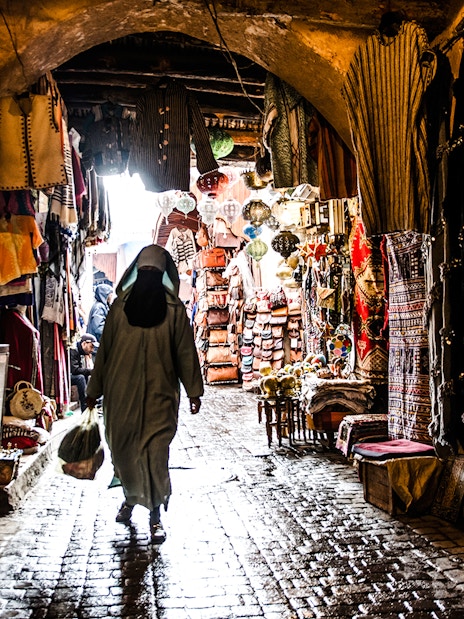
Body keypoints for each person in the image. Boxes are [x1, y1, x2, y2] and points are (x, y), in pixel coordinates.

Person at [85, 244, 203, 544]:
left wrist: (194, 391)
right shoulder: (118, 309)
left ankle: (154, 515)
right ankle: (129, 498)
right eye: (147, 271)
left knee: (154, 455)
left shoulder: (174, 311)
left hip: (159, 396)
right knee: (124, 452)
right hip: (120, 394)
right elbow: (105, 354)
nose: (149, 275)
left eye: (153, 271)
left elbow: (185, 353)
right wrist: (93, 389)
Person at [69, 333, 96, 412]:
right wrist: (91, 371)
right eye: (91, 347)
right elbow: (74, 370)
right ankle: (85, 407)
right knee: (80, 378)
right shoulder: (74, 350)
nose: (92, 350)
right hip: (65, 376)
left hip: (71, 374)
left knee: (84, 376)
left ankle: (88, 403)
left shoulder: (80, 352)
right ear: (84, 344)